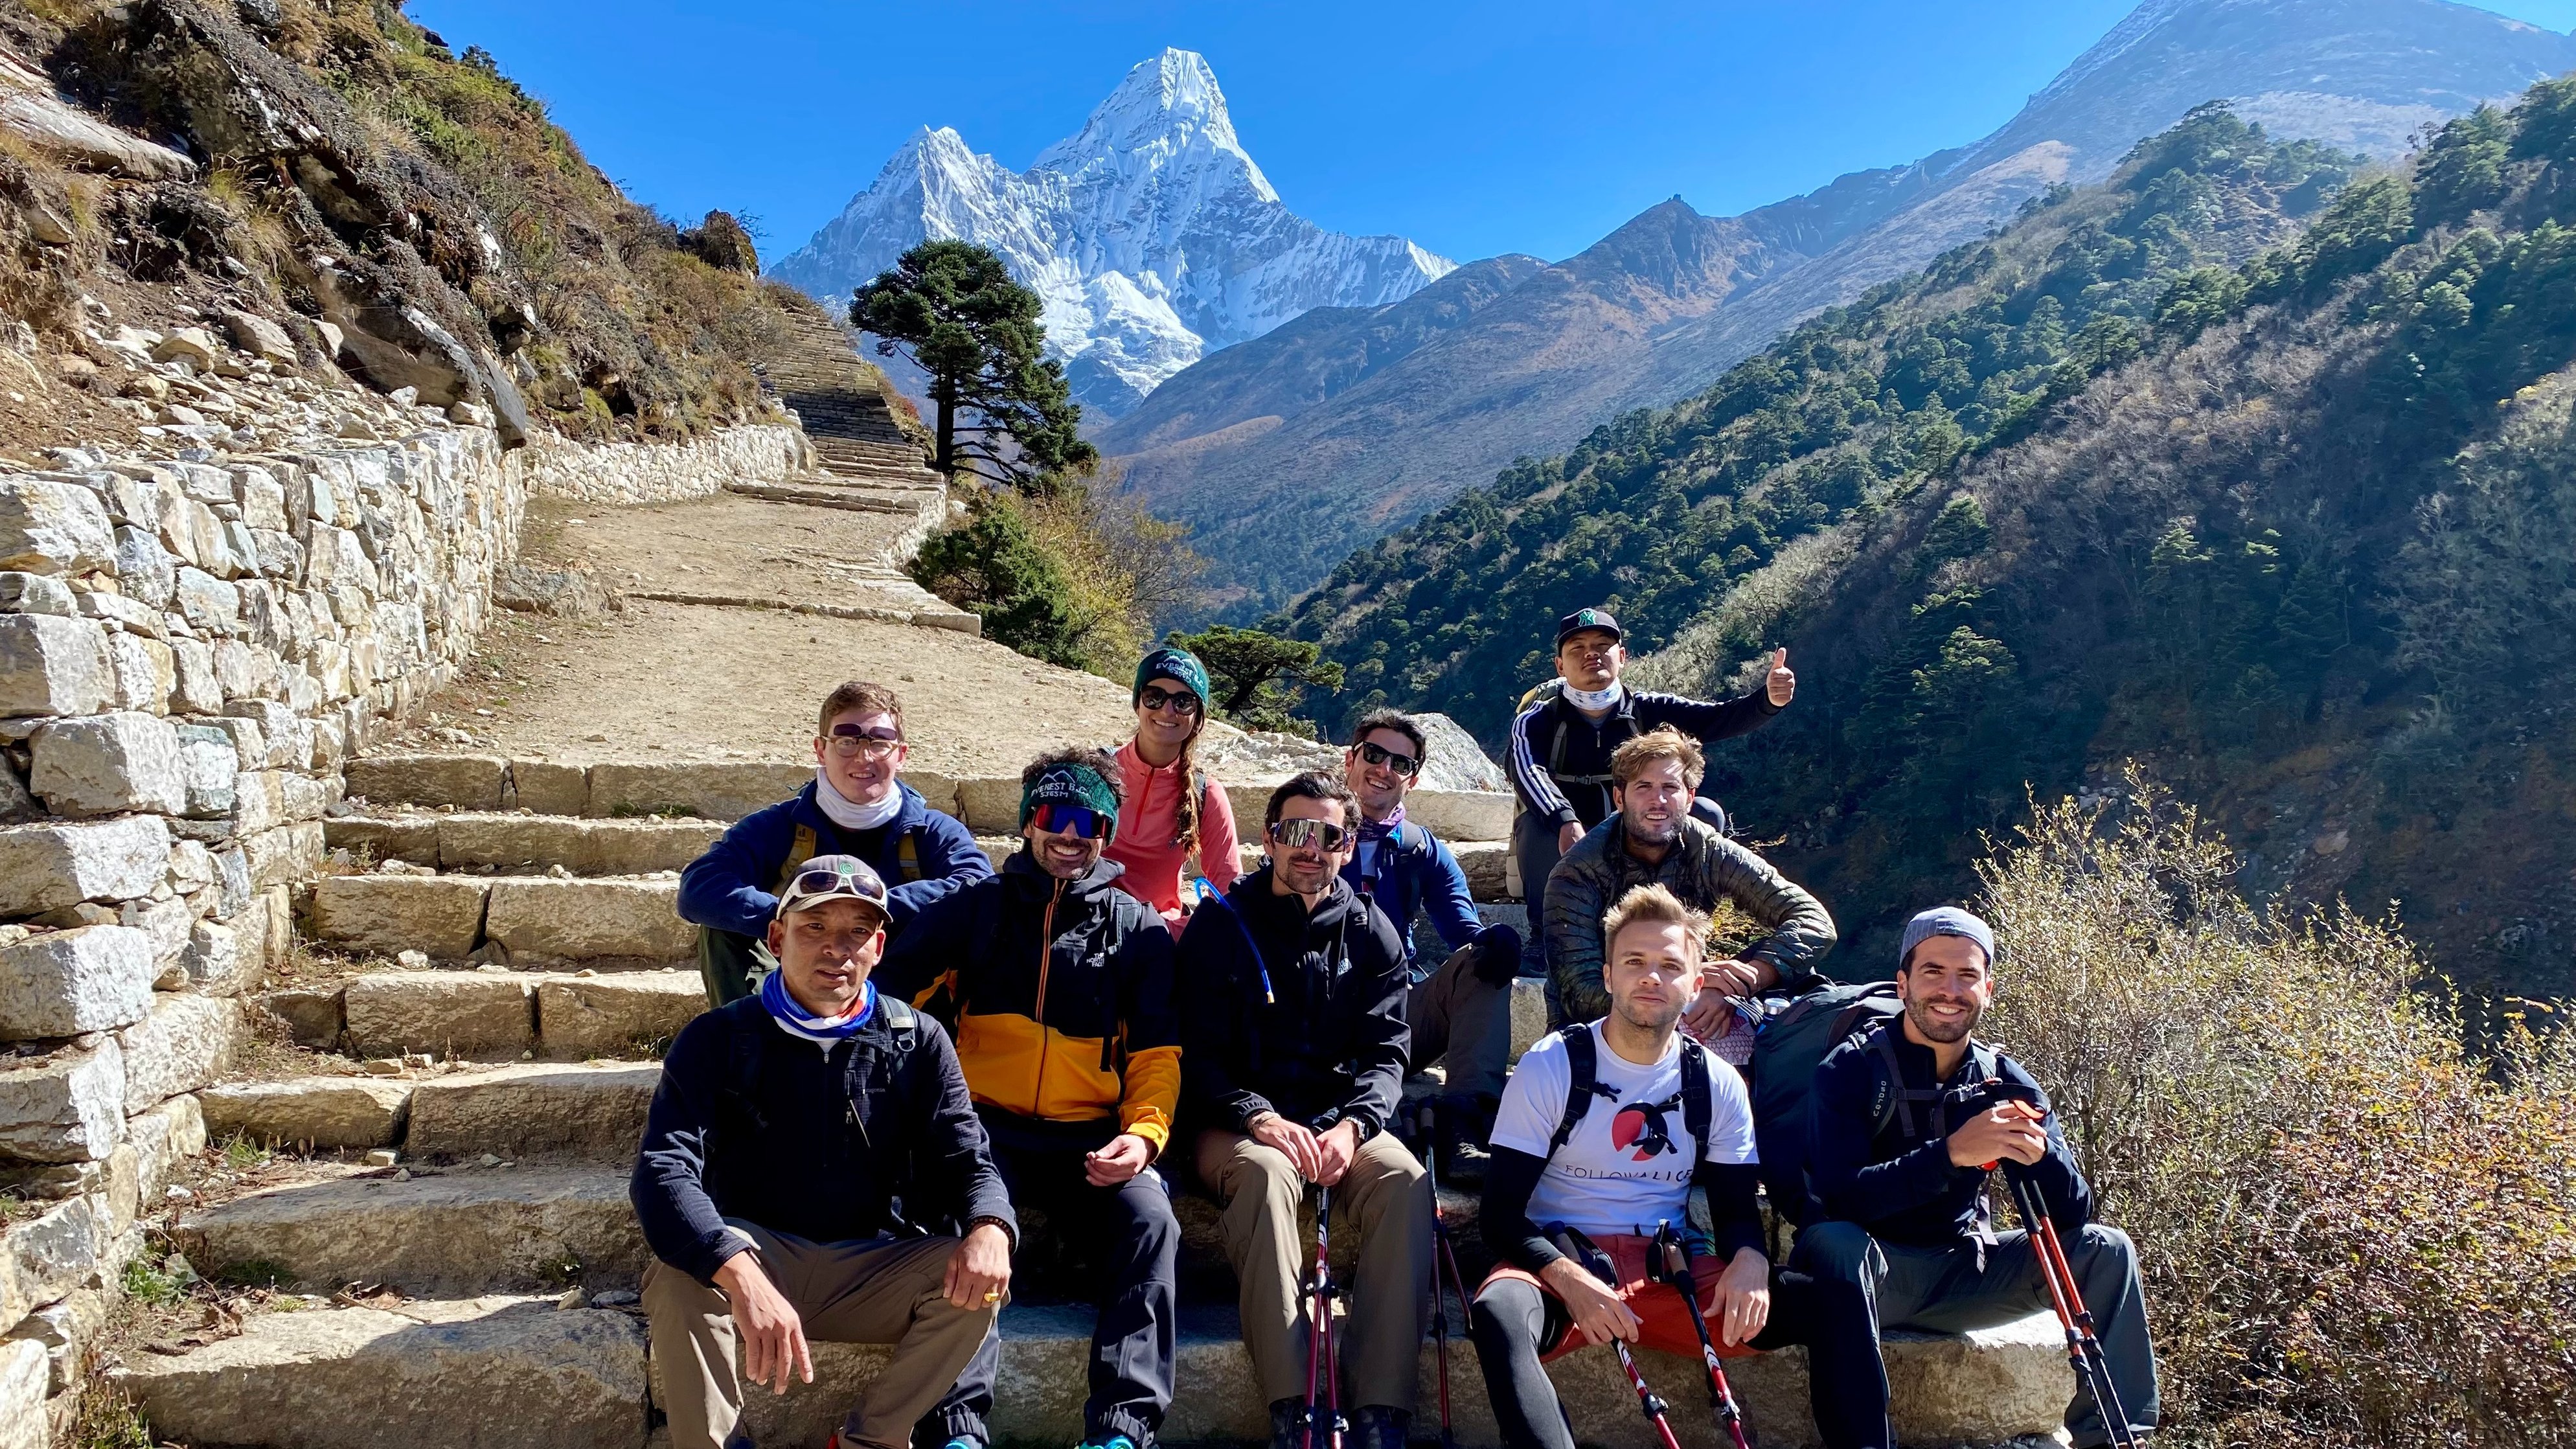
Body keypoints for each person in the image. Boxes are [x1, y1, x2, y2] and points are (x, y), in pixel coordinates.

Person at [1472, 884, 1889, 1449]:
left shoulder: (1715, 1082)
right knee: (1498, 1312)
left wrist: (1748, 1258)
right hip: (1559, 1259)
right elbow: (1499, 1214)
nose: (1651, 977)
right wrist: (1570, 1281)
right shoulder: (1554, 1065)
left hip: (1666, 1269)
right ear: (1609, 975)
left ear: (1695, 985)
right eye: (1635, 962)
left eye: (1670, 965)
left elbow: (1737, 1212)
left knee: (1833, 1303)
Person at [632, 854, 1016, 1449]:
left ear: (879, 947)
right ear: (778, 937)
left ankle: (869, 1441)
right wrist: (737, 1272)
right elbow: (664, 1168)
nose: (836, 948)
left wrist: (992, 1225)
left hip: (870, 1264)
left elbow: (967, 1158)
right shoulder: (718, 1037)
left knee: (978, 1281)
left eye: (856, 931)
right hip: (755, 1251)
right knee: (680, 1275)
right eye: (814, 927)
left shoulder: (917, 1037)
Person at [878, 749, 1183, 1449]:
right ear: (1026, 822)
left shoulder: (1136, 927)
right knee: (953, 1216)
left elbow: (1157, 1055)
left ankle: (1122, 1429)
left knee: (1151, 1220)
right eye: (1053, 815)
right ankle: (956, 1426)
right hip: (981, 1129)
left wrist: (1142, 1136)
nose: (1069, 835)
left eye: (1088, 821)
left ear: (1106, 833)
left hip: (1090, 1138)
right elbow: (892, 1006)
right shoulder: (973, 909)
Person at [1795, 907, 2159, 1449]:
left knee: (2107, 1249)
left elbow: (2072, 1216)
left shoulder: (2003, 1080)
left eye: (1966, 975)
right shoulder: (1850, 1068)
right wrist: (1951, 1155)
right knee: (1832, 1241)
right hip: (1872, 1276)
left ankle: (2114, 1438)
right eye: (1933, 972)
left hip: (1966, 1273)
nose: (1950, 989)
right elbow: (1838, 1196)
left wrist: (2039, 1157)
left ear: (1987, 988)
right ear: (1903, 983)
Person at [1176, 771, 1432, 1449]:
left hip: (1331, 1118)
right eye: (1294, 831)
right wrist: (1257, 1115)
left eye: (1327, 836)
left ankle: (1381, 1408)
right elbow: (1194, 1053)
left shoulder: (1373, 933)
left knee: (1404, 1181)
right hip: (1232, 1122)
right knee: (1265, 1175)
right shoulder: (1219, 926)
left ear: (1348, 846)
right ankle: (1294, 1403)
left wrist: (1353, 1127)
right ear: (1269, 838)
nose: (1309, 848)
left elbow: (1386, 1054)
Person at [678, 680, 991, 1007]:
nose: (864, 757)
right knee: (721, 928)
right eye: (847, 741)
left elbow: (977, 885)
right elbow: (699, 888)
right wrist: (801, 917)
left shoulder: (934, 830)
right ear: (820, 750)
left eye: (880, 743)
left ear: (901, 754)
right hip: (799, 982)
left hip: (900, 987)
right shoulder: (777, 825)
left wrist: (869, 912)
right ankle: (752, 1045)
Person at [1542, 728, 1836, 1037]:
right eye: (1643, 787)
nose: (1658, 800)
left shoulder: (1709, 851)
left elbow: (1813, 920)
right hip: (1595, 1026)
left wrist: (1743, 981)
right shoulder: (1577, 873)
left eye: (1670, 787)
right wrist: (1689, 988)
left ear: (1690, 797)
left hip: (1693, 1009)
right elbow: (1581, 993)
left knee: (1797, 976)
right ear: (1620, 798)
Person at [1507, 607, 1795, 915]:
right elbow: (1527, 771)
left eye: (1603, 646)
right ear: (1560, 665)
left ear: (1622, 656)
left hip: (1634, 821)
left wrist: (1768, 700)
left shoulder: (1651, 709)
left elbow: (1719, 719)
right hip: (1569, 830)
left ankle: (1683, 920)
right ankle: (1545, 934)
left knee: (1704, 813)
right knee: (1537, 827)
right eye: (1578, 648)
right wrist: (1564, 820)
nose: (1592, 654)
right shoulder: (1537, 720)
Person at [1337, 708, 1522, 1186]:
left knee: (1483, 965)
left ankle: (1465, 1122)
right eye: (1374, 755)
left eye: (1400, 764)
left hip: (1397, 1022)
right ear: (1349, 760)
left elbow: (1463, 926)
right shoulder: (1311, 835)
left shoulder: (1421, 849)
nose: (1384, 770)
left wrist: (1490, 942)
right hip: (1316, 1019)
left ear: (1413, 779)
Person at [1106, 646, 1242, 929]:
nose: (1167, 710)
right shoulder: (1098, 771)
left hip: (1156, 939)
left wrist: (1177, 934)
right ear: (1138, 704)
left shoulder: (1207, 794)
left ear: (1198, 717)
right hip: (1084, 930)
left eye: (1183, 701)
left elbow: (1229, 889)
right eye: (1154, 696)